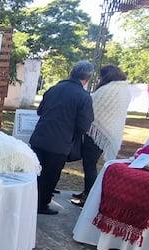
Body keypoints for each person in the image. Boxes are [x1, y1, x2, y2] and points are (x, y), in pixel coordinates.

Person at [29, 60, 95, 215]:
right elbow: (84, 125)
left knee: (35, 172)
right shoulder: (84, 97)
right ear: (87, 79)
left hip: (40, 137)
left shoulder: (53, 89)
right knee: (50, 175)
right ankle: (41, 205)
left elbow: (40, 111)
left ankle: (29, 200)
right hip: (60, 143)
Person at [70, 65, 132, 207]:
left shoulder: (107, 90)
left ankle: (88, 197)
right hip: (106, 132)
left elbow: (91, 108)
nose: (99, 79)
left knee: (89, 165)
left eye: (101, 76)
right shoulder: (124, 90)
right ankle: (87, 191)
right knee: (90, 164)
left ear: (106, 76)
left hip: (97, 133)